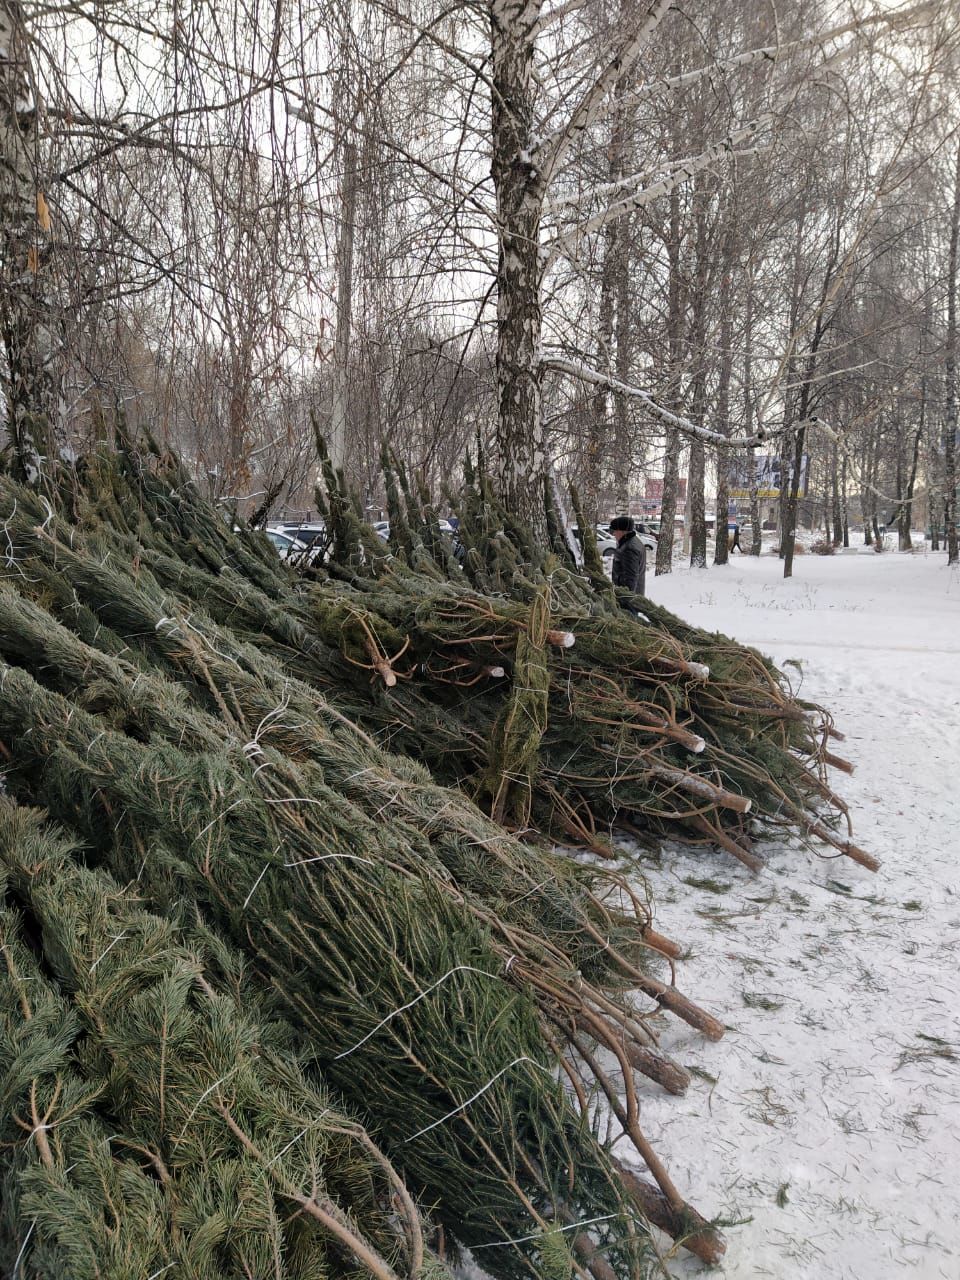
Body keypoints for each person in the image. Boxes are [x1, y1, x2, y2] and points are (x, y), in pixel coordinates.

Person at [608, 515, 645, 601]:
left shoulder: (629, 549)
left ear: (622, 532)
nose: (613, 534)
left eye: (615, 531)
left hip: (628, 599)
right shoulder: (631, 542)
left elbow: (630, 580)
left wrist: (624, 601)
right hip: (631, 596)